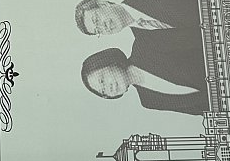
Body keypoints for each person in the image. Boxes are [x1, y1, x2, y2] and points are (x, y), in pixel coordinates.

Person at [80, 27, 208, 115]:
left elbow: (198, 39)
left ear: (109, 62)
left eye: (102, 80)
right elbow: (200, 110)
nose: (108, 89)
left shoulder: (145, 44)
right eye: (103, 92)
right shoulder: (148, 101)